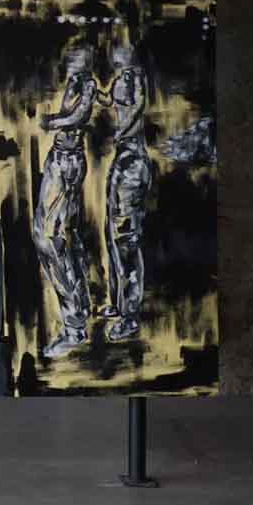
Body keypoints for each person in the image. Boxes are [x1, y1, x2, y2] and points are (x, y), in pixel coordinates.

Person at [33, 46, 96, 360]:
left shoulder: (87, 84)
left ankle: (74, 326)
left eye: (76, 58)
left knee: (48, 239)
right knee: (64, 238)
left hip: (66, 163)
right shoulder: (75, 83)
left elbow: (79, 115)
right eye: (70, 57)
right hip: (63, 159)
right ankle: (80, 310)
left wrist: (52, 122)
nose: (70, 61)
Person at [102, 44, 154, 342]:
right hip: (123, 158)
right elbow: (112, 102)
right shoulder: (121, 79)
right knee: (113, 234)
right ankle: (119, 303)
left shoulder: (135, 78)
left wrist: (123, 131)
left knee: (126, 238)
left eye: (119, 54)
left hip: (133, 160)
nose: (114, 57)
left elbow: (137, 107)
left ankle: (130, 316)